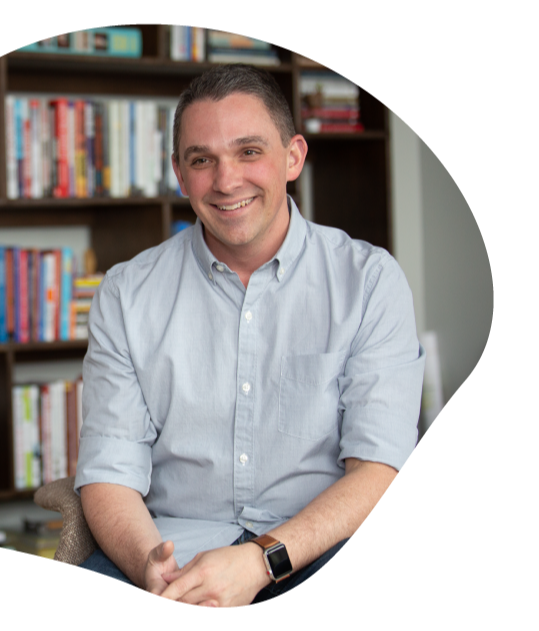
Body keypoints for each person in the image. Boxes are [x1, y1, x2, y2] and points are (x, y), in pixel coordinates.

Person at [73, 64, 425, 607]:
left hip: (315, 546)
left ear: (293, 157)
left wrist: (263, 559)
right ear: (179, 173)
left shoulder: (370, 282)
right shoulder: (126, 293)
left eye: (249, 151)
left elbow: (380, 469)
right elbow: (108, 472)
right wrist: (153, 570)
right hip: (175, 553)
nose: (226, 180)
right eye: (201, 160)